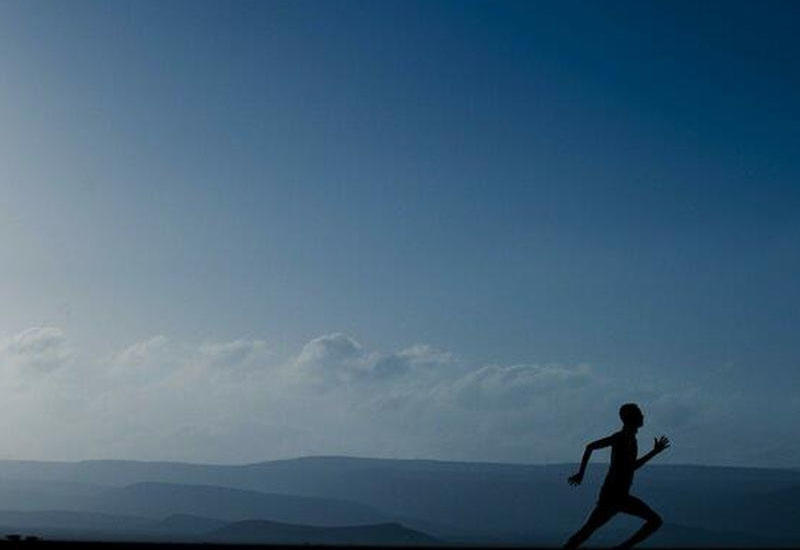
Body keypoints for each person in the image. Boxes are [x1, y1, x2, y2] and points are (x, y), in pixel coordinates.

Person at [564, 403, 670, 549]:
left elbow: (629, 466)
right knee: (655, 521)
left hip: (617, 495)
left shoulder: (629, 438)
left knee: (586, 532)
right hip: (614, 496)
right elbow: (591, 447)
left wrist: (654, 452)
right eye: (639, 414)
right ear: (631, 418)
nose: (642, 416)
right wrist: (581, 474)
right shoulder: (621, 438)